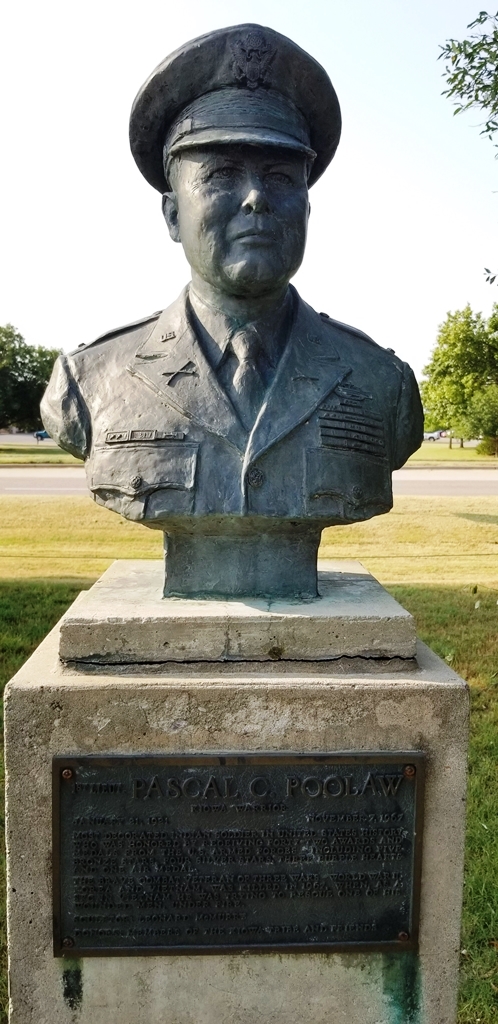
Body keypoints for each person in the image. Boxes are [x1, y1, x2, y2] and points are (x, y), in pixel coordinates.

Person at [41, 24, 423, 598]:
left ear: (307, 211)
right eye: (220, 174)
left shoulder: (381, 383)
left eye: (280, 177)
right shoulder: (91, 379)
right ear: (173, 215)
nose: (256, 198)